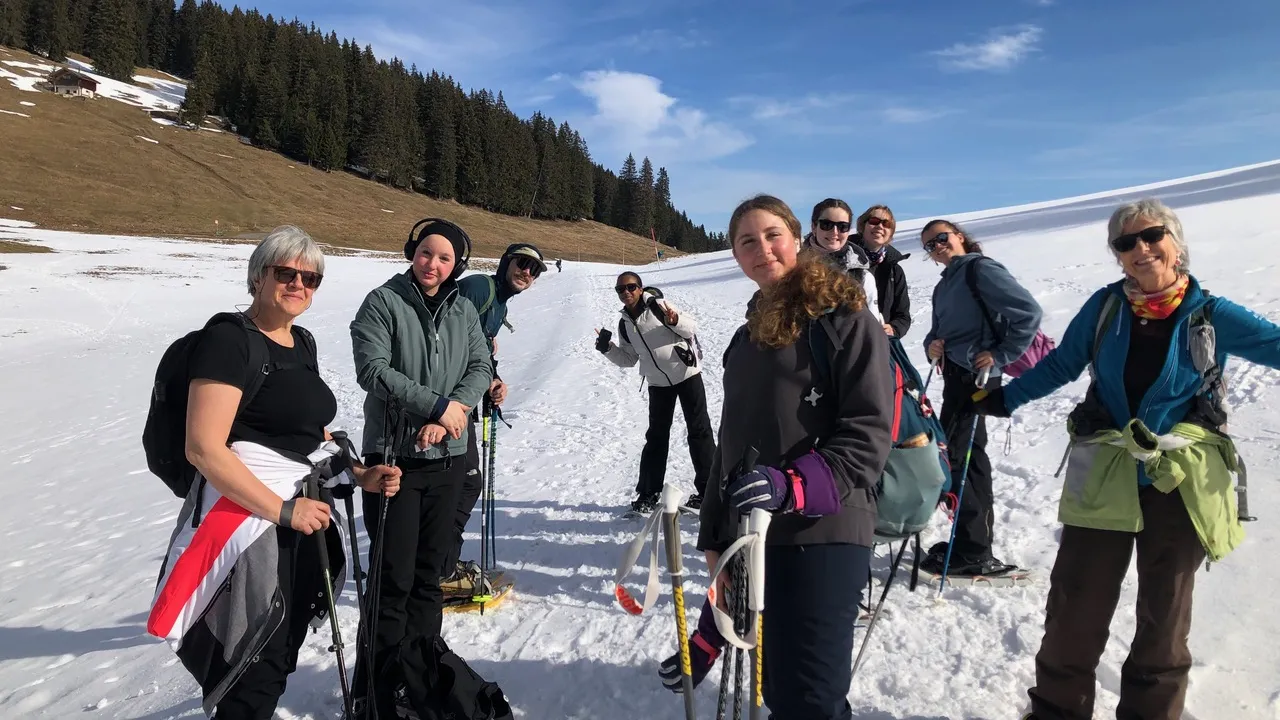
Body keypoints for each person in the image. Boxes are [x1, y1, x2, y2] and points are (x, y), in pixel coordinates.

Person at [968, 199, 1280, 720]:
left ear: (1175, 242)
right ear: (1116, 256)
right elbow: (1065, 363)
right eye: (1124, 242)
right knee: (1074, 606)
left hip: (1178, 477)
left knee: (1165, 618)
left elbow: (1275, 343)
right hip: (1108, 470)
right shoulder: (1107, 307)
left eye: (1151, 235)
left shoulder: (1210, 314)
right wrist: (1004, 399)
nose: (1141, 249)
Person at [148, 225, 402, 719]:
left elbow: (304, 436)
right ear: (258, 276)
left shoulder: (300, 341)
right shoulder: (229, 340)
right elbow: (203, 448)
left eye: (311, 278)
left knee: (280, 648)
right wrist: (283, 510)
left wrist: (356, 474)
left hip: (299, 516)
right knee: (252, 664)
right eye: (286, 272)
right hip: (248, 527)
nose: (299, 284)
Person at [697, 194, 893, 719]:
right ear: (736, 257)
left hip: (824, 531)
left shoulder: (844, 319)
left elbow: (870, 432)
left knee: (811, 698)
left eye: (771, 235)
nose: (762, 250)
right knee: (780, 691)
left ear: (796, 238)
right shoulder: (743, 339)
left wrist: (793, 485)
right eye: (746, 242)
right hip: (756, 537)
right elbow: (730, 444)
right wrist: (716, 539)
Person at [349, 217, 493, 717]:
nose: (433, 264)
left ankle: (421, 680)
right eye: (426, 253)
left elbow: (481, 367)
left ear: (457, 266)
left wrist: (453, 412)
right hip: (394, 460)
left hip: (447, 459)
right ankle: (376, 688)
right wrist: (436, 407)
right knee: (393, 581)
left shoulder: (464, 309)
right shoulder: (383, 302)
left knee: (430, 579)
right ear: (413, 252)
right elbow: (373, 370)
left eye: (445, 258)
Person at [918, 218, 1042, 577]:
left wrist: (1001, 354)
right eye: (930, 245)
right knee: (952, 455)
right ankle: (966, 541)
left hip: (979, 377)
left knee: (966, 458)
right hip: (957, 375)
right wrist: (933, 346)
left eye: (942, 238)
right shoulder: (946, 284)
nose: (937, 246)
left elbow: (1027, 312)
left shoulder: (980, 270)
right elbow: (937, 332)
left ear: (959, 237)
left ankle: (976, 549)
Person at [444, 242, 547, 594]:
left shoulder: (498, 304)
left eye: (535, 270)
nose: (527, 273)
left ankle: (442, 563)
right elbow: (448, 338)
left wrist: (493, 379)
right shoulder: (479, 288)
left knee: (464, 484)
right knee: (461, 485)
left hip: (462, 402)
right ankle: (441, 569)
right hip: (444, 403)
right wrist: (484, 374)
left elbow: (478, 348)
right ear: (506, 263)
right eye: (522, 264)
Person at [594, 272, 716, 512]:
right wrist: (607, 348)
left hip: (687, 375)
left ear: (640, 288)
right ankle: (648, 493)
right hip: (658, 383)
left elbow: (691, 328)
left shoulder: (658, 306)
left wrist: (674, 320)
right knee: (656, 437)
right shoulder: (625, 323)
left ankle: (710, 492)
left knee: (699, 431)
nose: (626, 293)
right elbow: (628, 359)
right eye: (621, 289)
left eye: (631, 287)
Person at [851, 204, 912, 338]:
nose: (880, 226)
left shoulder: (894, 270)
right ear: (862, 226)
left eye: (886, 224)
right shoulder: (844, 260)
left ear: (891, 233)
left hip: (880, 344)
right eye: (874, 221)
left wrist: (894, 328)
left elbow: (903, 315)